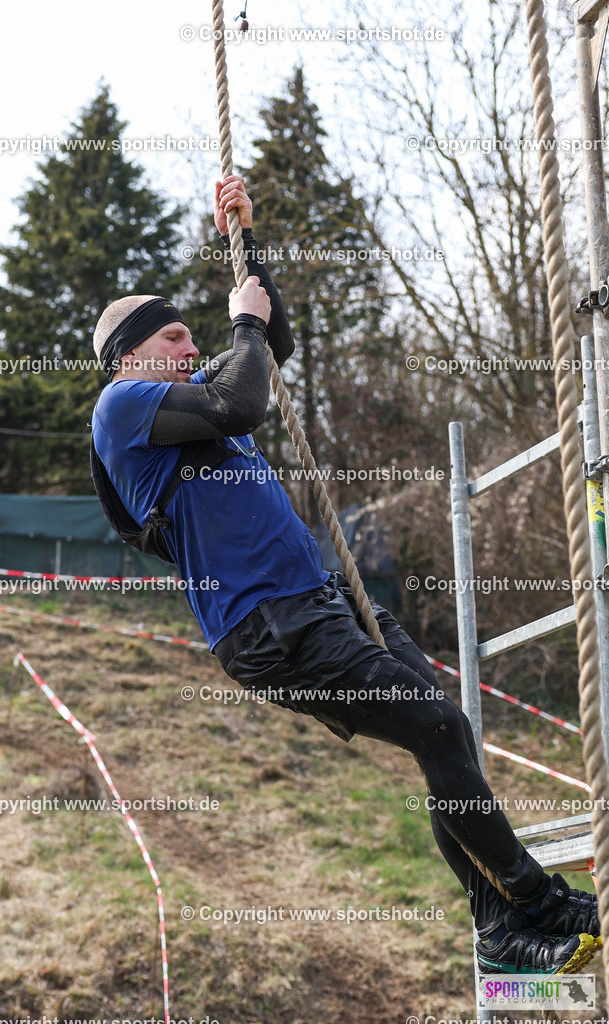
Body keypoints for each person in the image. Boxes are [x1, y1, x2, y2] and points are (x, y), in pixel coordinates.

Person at [90, 175, 601, 976]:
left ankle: (499, 924)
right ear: (129, 360)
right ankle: (530, 900)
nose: (194, 352)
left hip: (322, 602)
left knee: (444, 729)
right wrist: (241, 327)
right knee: (433, 727)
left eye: (196, 341)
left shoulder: (195, 393)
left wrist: (245, 242)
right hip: (268, 628)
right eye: (177, 341)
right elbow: (247, 398)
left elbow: (272, 347)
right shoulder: (122, 407)